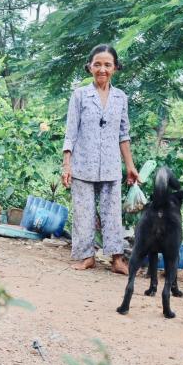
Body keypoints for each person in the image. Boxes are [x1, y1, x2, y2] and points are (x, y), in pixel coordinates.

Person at [61, 44, 139, 274]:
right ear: (89, 67)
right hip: (83, 165)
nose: (102, 69)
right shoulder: (79, 95)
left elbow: (123, 134)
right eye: (97, 64)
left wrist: (130, 166)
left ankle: (116, 259)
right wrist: (67, 165)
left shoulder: (120, 97)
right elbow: (71, 133)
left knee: (112, 213)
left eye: (107, 64)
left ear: (115, 68)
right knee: (83, 213)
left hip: (111, 166)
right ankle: (87, 257)